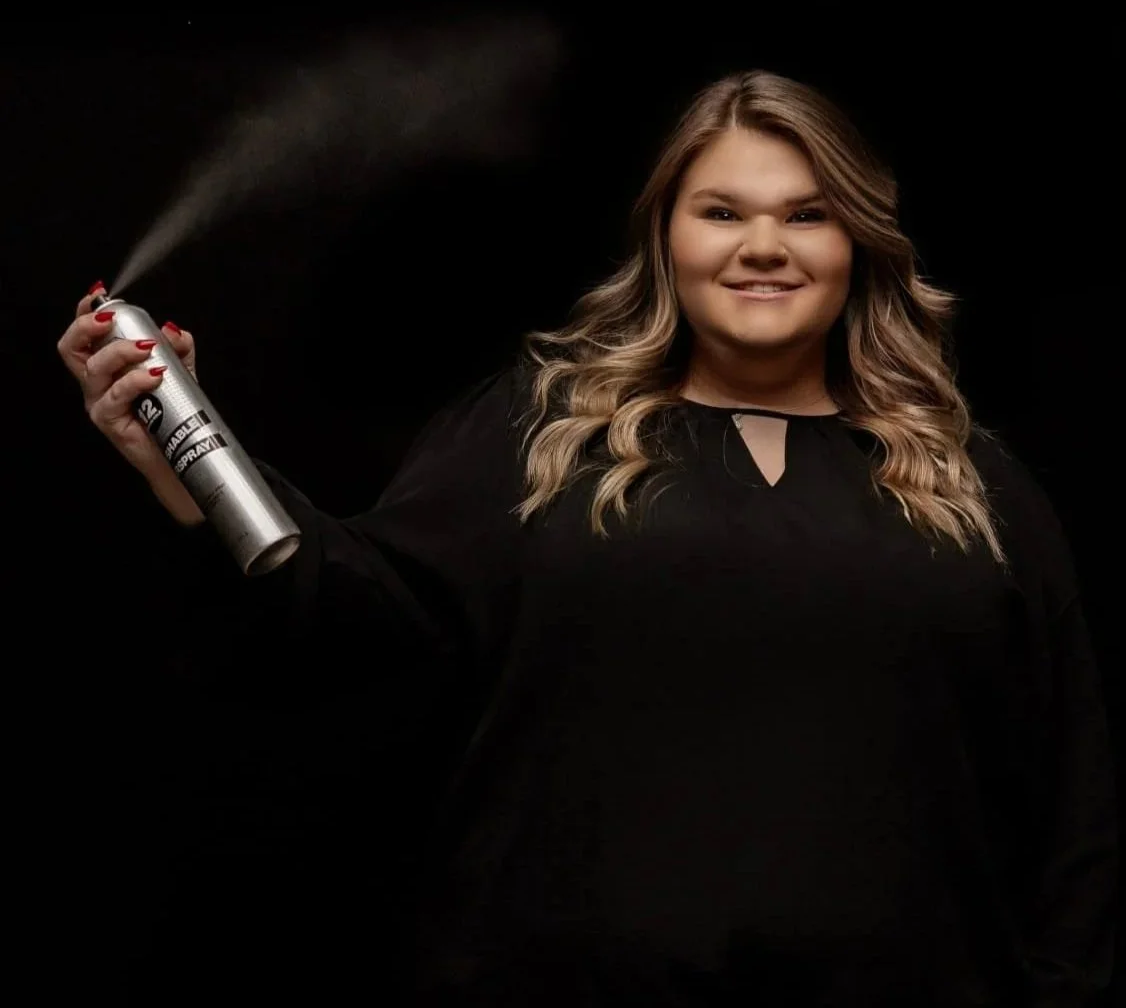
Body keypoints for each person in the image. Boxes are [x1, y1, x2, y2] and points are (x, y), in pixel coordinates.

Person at [58, 70, 1118, 1005]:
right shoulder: (542, 432)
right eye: (721, 211)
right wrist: (180, 453)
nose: (761, 247)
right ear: (666, 235)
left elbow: (1068, 799)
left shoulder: (967, 478)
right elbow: (351, 608)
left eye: (806, 214)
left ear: (858, 241)